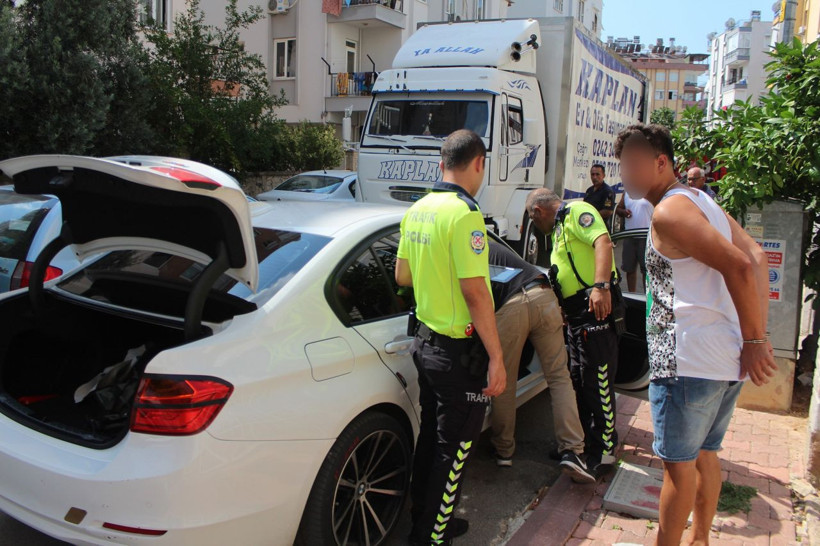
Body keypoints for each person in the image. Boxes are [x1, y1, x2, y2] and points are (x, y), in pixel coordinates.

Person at [614, 123, 777, 546]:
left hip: (685, 362)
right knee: (705, 455)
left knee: (677, 467)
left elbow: (741, 265)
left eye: (633, 163)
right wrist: (752, 338)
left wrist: (756, 341)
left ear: (661, 163)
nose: (625, 173)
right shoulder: (700, 199)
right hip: (720, 361)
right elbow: (756, 257)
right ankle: (700, 539)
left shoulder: (670, 212)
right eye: (622, 164)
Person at [395, 129, 506, 546]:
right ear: (478, 163)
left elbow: (402, 275)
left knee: (432, 440)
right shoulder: (465, 214)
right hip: (459, 356)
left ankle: (425, 523)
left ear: (442, 163)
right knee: (454, 451)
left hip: (425, 346)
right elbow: (475, 292)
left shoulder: (418, 208)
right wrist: (497, 357)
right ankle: (433, 536)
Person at [525, 188, 624, 477]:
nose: (536, 226)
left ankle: (604, 451)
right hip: (577, 315)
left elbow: (603, 242)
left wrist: (601, 287)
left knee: (598, 381)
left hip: (595, 308)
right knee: (579, 380)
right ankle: (581, 445)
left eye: (534, 220)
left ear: (538, 211)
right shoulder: (560, 226)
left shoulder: (577, 212)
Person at [487, 239, 595, 484]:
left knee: (504, 379)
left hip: (510, 306)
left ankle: (503, 450)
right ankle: (573, 449)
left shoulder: (463, 249)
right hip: (542, 294)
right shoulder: (491, 243)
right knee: (559, 377)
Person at [615, 192, 653, 292]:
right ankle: (632, 294)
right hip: (629, 236)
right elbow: (618, 209)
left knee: (646, 270)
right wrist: (623, 212)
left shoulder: (650, 190)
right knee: (629, 269)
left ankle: (646, 296)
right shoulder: (627, 192)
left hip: (646, 236)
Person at [583, 163, 616, 231]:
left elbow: (608, 211)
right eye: (592, 174)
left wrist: (590, 216)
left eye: (597, 174)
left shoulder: (607, 191)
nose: (595, 177)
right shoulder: (589, 190)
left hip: (600, 227)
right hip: (588, 226)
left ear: (603, 175)